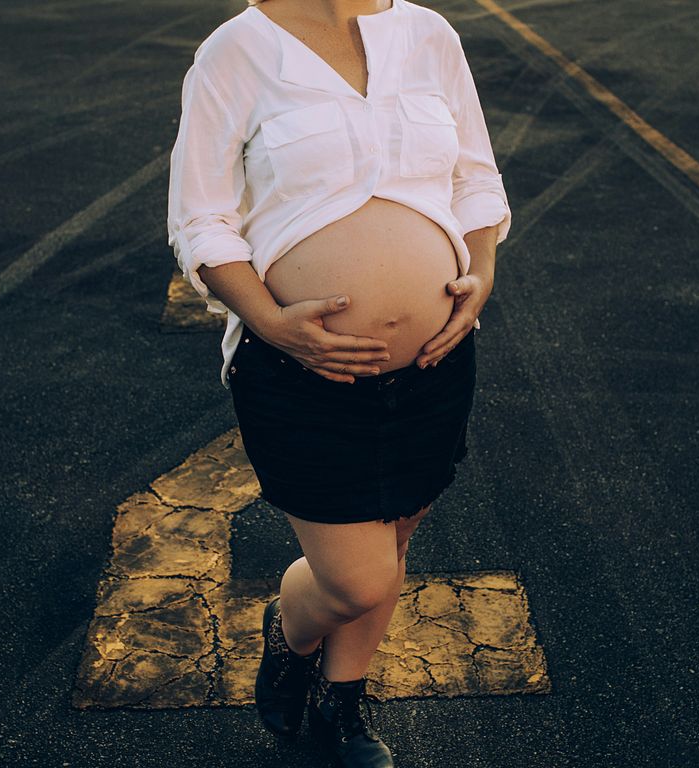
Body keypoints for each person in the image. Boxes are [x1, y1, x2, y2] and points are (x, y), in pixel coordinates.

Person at [166, 0, 511, 764]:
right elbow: (201, 218)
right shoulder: (237, 52)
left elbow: (474, 178)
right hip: (299, 373)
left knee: (393, 541)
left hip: (436, 364)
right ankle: (290, 638)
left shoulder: (428, 35)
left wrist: (480, 274)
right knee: (357, 578)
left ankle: (341, 707)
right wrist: (270, 321)